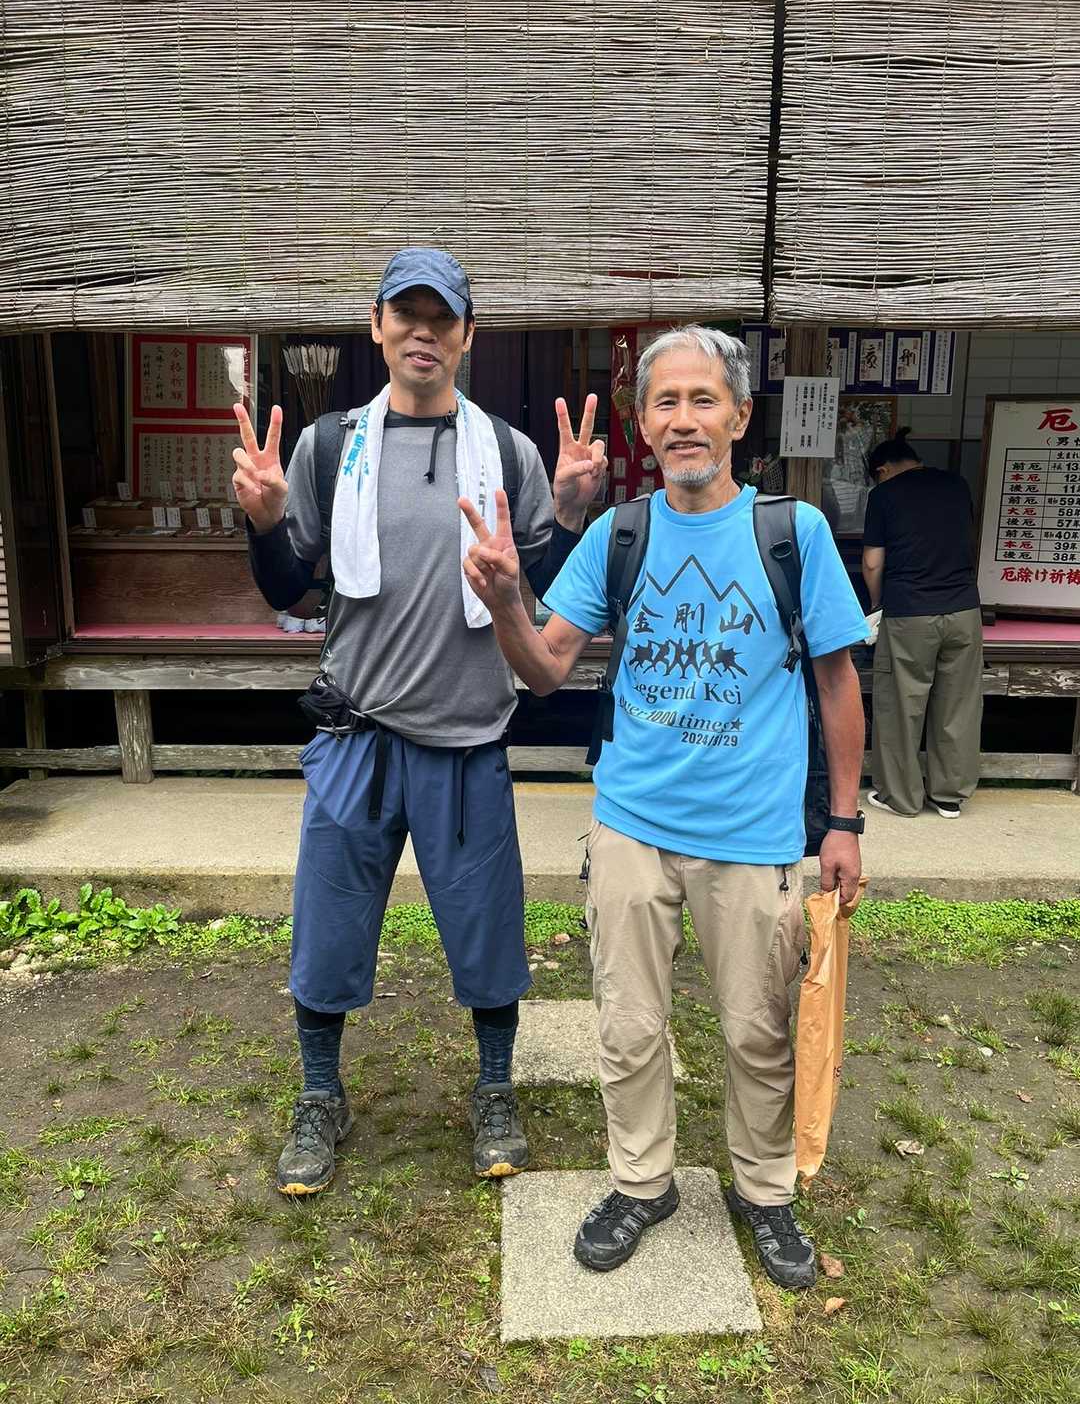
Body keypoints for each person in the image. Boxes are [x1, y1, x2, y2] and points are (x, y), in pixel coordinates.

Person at [459, 325, 867, 1290]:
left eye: (703, 400)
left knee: (757, 1029)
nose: (685, 420)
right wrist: (510, 602)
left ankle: (765, 1191)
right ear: (643, 424)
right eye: (666, 403)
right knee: (629, 1024)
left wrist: (844, 823)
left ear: (740, 417)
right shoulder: (620, 535)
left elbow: (837, 680)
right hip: (632, 826)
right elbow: (546, 668)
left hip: (755, 835)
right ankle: (641, 1182)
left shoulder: (794, 533)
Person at [231, 247, 607, 1194]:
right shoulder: (330, 447)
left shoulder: (509, 453)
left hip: (468, 734)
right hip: (355, 734)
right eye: (407, 315)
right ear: (378, 326)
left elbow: (539, 589)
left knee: (488, 929)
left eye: (443, 319)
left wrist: (567, 515)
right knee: (327, 928)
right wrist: (266, 523)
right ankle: (321, 1094)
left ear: (468, 335)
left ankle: (495, 1088)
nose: (423, 333)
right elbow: (289, 588)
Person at [861, 431, 982, 820]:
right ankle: (949, 796)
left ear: (882, 470)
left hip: (910, 611)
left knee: (901, 705)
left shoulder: (884, 495)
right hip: (964, 610)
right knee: (958, 704)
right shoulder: (957, 485)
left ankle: (902, 797)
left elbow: (873, 563)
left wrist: (877, 604)